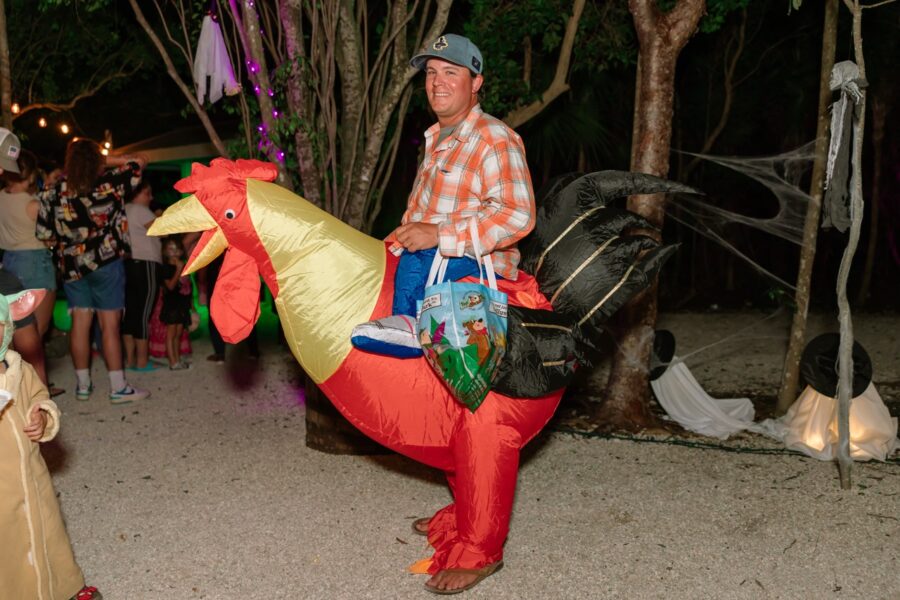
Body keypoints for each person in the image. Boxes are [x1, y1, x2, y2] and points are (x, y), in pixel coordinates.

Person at [361, 35, 537, 593]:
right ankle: (461, 516)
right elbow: (421, 215)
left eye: (451, 73)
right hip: (427, 279)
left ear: (477, 82)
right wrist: (402, 239)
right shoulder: (436, 138)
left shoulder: (495, 138)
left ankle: (482, 546)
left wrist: (441, 235)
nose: (437, 82)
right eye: (431, 73)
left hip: (469, 293)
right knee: (436, 404)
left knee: (474, 411)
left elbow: (516, 215)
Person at [0, 289, 103, 600]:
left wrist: (43, 417)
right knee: (11, 546)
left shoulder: (20, 369)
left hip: (33, 475)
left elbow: (42, 399)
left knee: (50, 531)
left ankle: (65, 586)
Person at [36, 139, 150, 403]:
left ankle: (83, 386)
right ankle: (118, 387)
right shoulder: (110, 184)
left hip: (73, 266)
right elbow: (141, 160)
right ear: (97, 160)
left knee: (80, 323)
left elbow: (44, 235)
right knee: (109, 326)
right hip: (107, 262)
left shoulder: (53, 191)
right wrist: (105, 160)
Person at [122, 181, 162, 371]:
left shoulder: (124, 209)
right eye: (148, 193)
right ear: (136, 194)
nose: (151, 197)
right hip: (146, 263)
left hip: (129, 264)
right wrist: (161, 217)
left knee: (131, 313)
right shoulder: (140, 209)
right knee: (144, 312)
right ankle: (142, 361)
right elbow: (162, 229)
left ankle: (130, 360)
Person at [159, 236, 193, 370]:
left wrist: (192, 305)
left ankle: (178, 360)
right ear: (165, 251)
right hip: (171, 305)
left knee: (179, 334)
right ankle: (172, 362)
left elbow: (189, 287)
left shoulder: (184, 265)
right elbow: (171, 286)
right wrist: (178, 270)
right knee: (171, 334)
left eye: (176, 249)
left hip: (182, 305)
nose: (174, 252)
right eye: (170, 249)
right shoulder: (166, 268)